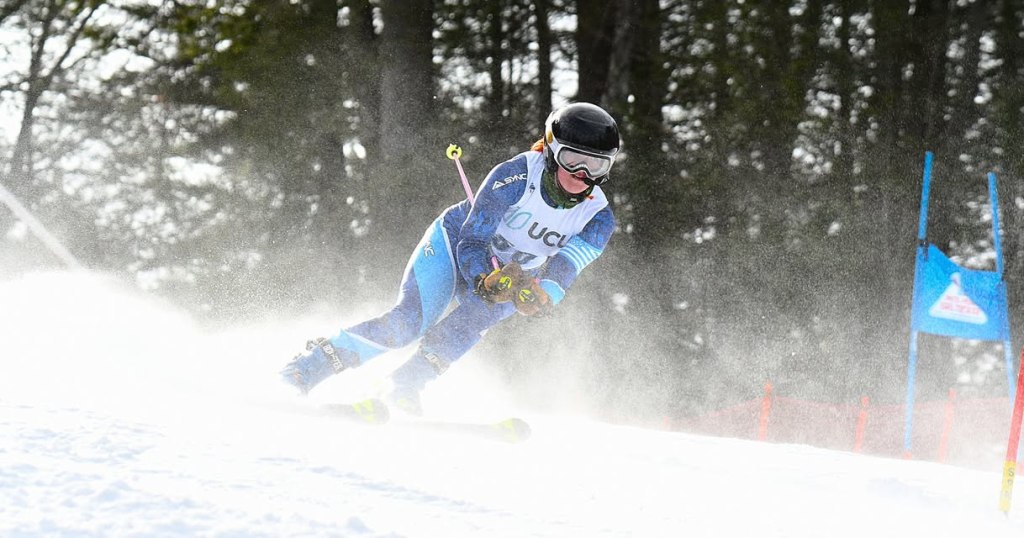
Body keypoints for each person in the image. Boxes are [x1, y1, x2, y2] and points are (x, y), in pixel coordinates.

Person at [280, 102, 620, 413]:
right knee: (409, 323)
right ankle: (305, 369)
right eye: (572, 160)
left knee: (463, 330)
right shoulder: (516, 175)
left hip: (513, 278)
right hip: (455, 245)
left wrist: (545, 295)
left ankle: (402, 387)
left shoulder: (599, 217)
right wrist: (480, 278)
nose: (583, 175)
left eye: (596, 165)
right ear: (549, 151)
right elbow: (473, 238)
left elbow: (567, 265)